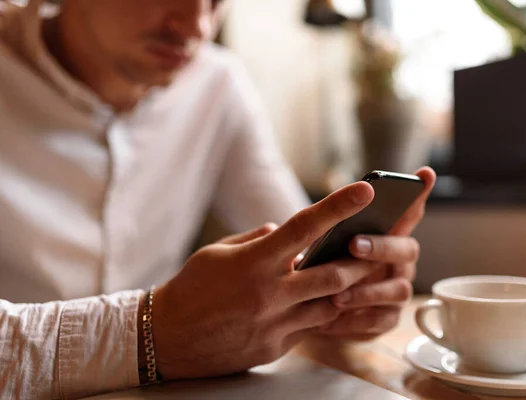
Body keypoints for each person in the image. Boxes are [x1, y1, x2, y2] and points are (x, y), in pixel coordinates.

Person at [0, 0, 436, 398]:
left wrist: (341, 291)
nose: (197, 25)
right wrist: (154, 333)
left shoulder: (217, 81)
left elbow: (293, 245)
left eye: (216, 1)